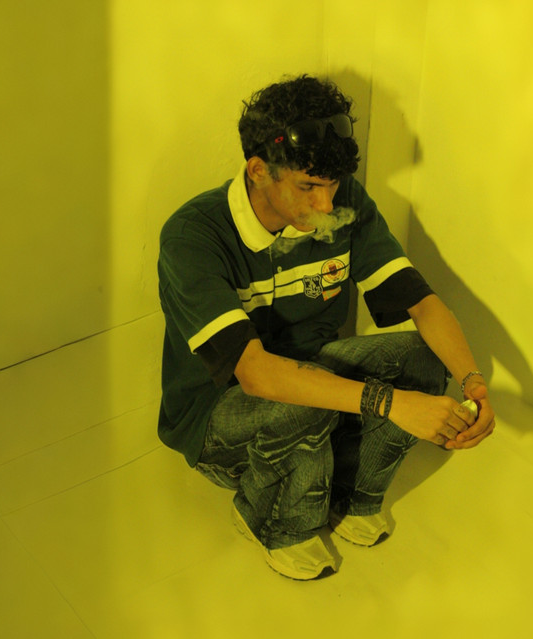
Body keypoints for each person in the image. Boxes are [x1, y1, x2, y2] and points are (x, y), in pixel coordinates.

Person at [157, 74, 495, 580]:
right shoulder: (193, 235)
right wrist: (393, 403)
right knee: (303, 399)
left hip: (311, 377)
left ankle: (350, 495)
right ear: (258, 171)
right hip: (220, 415)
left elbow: (422, 304)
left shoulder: (344, 202)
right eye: (308, 187)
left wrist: (473, 383)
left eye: (333, 185)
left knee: (426, 359)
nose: (325, 205)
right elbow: (258, 376)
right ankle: (271, 518)